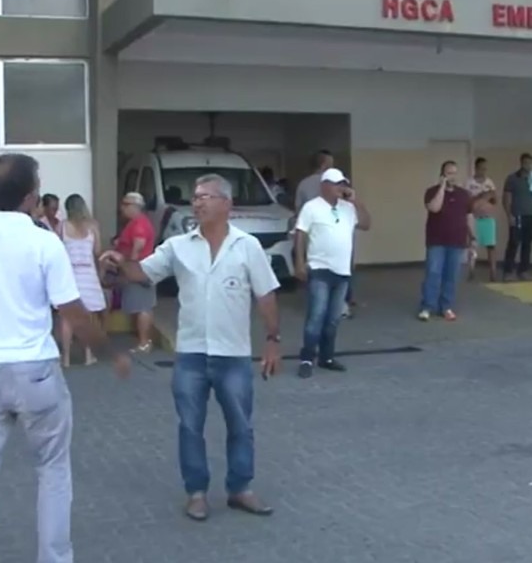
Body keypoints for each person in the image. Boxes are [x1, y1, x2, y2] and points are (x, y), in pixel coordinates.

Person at [0, 153, 129, 563]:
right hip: (36, 372)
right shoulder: (44, 242)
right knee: (53, 471)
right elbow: (74, 314)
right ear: (30, 197)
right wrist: (110, 352)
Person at [101, 173, 282, 522]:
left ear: (227, 204)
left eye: (207, 196)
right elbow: (142, 272)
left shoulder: (247, 247)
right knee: (190, 426)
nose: (198, 202)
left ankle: (240, 489)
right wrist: (118, 264)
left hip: (233, 355)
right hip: (191, 354)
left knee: (241, 426)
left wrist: (273, 340)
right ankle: (196, 492)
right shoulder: (178, 246)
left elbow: (267, 296)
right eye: (195, 196)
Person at [293, 168, 371, 379]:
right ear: (324, 185)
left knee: (333, 318)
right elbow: (300, 234)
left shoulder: (348, 208)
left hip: (342, 270)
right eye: (337, 184)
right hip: (319, 268)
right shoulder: (312, 207)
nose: (341, 188)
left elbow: (366, 224)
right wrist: (299, 262)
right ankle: (307, 358)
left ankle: (327, 357)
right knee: (316, 316)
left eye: (343, 184)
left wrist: (357, 202)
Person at [419, 161, 475, 322]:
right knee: (433, 273)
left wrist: (473, 237)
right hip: (436, 241)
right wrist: (442, 187)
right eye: (449, 173)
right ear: (442, 175)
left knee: (451, 275)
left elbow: (468, 216)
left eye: (455, 173)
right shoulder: (432, 192)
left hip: (457, 240)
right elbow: (434, 208)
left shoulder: (464, 194)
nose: (453, 177)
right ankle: (427, 307)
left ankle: (446, 307)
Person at [57, 193, 106, 367]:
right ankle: (88, 355)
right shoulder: (92, 227)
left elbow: (57, 251)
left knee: (66, 317)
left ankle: (66, 358)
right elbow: (98, 251)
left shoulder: (62, 226)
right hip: (88, 273)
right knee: (89, 316)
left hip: (70, 274)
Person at [117, 192, 157, 353]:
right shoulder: (135, 223)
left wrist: (129, 266)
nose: (122, 208)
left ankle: (144, 342)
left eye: (126, 204)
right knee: (139, 305)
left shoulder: (139, 224)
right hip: (138, 268)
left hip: (140, 269)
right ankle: (143, 340)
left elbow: (138, 246)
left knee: (143, 306)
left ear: (135, 206)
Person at [502, 153, 532, 281]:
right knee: (514, 242)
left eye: (530, 163)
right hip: (517, 214)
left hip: (531, 215)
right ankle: (508, 271)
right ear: (521, 163)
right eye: (526, 162)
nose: (528, 165)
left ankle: (523, 270)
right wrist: (509, 215)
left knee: (527, 243)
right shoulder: (512, 178)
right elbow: (506, 198)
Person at [465, 157, 498, 282]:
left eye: (485, 168)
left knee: (491, 245)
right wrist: (480, 196)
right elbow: (467, 202)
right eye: (481, 168)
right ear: (476, 168)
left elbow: (495, 200)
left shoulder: (489, 182)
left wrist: (490, 196)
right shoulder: (469, 183)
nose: (484, 171)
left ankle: (493, 273)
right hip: (474, 217)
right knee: (473, 245)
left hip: (488, 218)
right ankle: (471, 271)